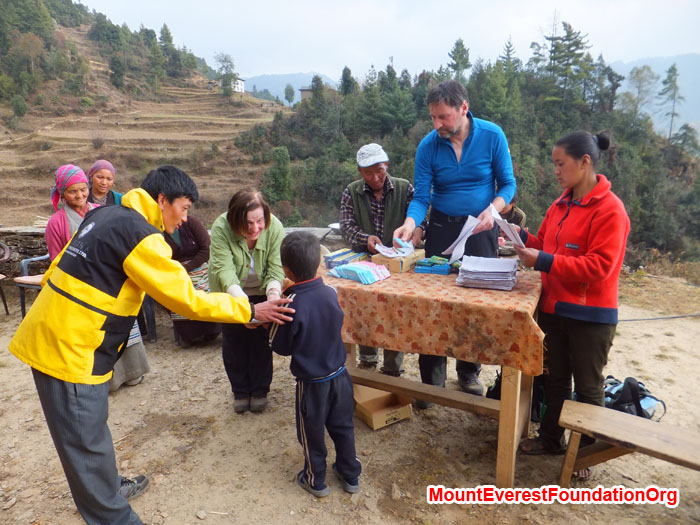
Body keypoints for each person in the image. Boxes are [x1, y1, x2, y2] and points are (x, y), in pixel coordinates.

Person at [9, 165, 294, 525]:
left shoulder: (108, 214)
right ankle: (114, 515)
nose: (185, 217)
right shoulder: (142, 236)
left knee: (92, 428)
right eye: (184, 208)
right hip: (68, 347)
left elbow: (59, 264)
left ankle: (110, 485)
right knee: (83, 441)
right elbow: (186, 299)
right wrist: (249, 309)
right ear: (162, 200)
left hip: (66, 334)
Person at [514, 131, 630, 483]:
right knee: (556, 379)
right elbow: (542, 244)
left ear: (585, 162)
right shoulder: (560, 204)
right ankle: (551, 439)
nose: (556, 171)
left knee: (589, 387)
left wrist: (544, 260)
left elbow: (599, 267)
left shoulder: (611, 210)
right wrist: (517, 235)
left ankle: (586, 452)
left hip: (591, 316)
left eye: (560, 164)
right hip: (555, 307)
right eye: (554, 164)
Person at [394, 80, 516, 400]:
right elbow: (421, 197)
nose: (437, 125)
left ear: (464, 108)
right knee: (433, 304)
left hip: (481, 229)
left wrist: (493, 210)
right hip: (441, 231)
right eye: (433, 118)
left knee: (473, 305)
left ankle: (468, 371)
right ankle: (431, 380)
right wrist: (409, 224)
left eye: (443, 117)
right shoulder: (428, 146)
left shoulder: (492, 135)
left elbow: (508, 185)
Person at [269, 231, 362, 498]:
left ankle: (315, 479)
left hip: (312, 385)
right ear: (319, 263)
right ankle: (350, 474)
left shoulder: (290, 303)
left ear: (286, 270)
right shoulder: (330, 292)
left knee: (311, 434)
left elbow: (281, 347)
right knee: (343, 426)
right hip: (341, 377)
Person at [339, 143, 423, 376]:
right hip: (367, 262)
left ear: (387, 165)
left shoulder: (404, 188)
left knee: (396, 312)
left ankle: (392, 367)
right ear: (360, 172)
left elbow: (419, 219)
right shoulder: (352, 192)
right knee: (365, 308)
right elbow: (346, 227)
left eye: (379, 170)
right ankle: (367, 358)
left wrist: (417, 232)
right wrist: (366, 238)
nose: (375, 177)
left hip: (399, 265)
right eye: (368, 173)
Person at [209, 189, 285, 414]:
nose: (254, 229)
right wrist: (246, 309)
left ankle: (260, 389)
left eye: (259, 221)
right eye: (247, 223)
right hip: (230, 290)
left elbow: (276, 268)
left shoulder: (275, 228)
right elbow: (224, 270)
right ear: (234, 220)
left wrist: (271, 301)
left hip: (262, 289)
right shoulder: (221, 228)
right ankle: (240, 390)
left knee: (261, 339)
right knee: (233, 340)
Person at [164, 214, 221, 347]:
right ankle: (189, 334)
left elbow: (206, 249)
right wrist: (178, 271)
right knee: (176, 294)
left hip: (200, 266)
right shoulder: (158, 230)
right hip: (174, 272)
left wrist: (188, 267)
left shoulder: (191, 223)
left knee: (205, 287)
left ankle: (212, 330)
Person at [45, 164, 100, 260]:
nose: (79, 195)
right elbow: (56, 259)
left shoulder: (100, 211)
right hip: (72, 273)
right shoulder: (56, 222)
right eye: (72, 191)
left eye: (83, 189)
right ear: (62, 194)